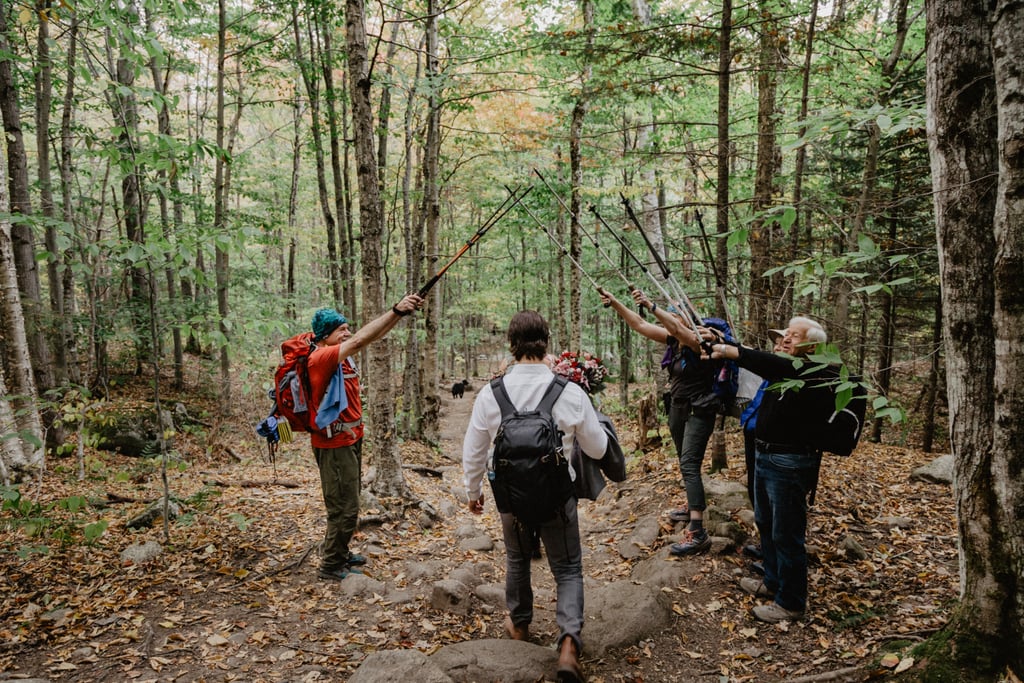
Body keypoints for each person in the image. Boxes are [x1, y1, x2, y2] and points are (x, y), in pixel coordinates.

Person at [463, 310, 607, 683]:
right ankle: (569, 645)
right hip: (558, 498)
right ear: (546, 343)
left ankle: (520, 627)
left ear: (511, 346)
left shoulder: (491, 393)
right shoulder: (569, 391)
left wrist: (473, 491)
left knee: (516, 558)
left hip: (510, 497)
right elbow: (597, 448)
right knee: (568, 568)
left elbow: (475, 449)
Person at [707, 316, 830, 623]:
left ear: (813, 345)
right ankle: (773, 583)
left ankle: (790, 602)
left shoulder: (810, 370)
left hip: (789, 463)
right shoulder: (783, 367)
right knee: (765, 521)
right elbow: (765, 362)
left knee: (786, 533)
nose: (786, 339)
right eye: (786, 334)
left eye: (795, 336)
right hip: (767, 456)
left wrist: (729, 350)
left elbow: (761, 360)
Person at [306, 293, 424, 581]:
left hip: (349, 441)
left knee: (350, 502)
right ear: (325, 336)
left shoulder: (340, 355)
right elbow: (360, 340)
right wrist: (395, 308)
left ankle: (341, 553)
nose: (348, 333)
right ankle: (330, 565)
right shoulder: (320, 358)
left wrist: (398, 315)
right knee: (344, 508)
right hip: (333, 445)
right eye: (340, 330)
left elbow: (366, 336)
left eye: (347, 328)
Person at [598, 286, 721, 557]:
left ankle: (698, 531)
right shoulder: (672, 341)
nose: (671, 320)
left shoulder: (699, 340)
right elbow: (639, 323)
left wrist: (652, 304)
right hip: (678, 408)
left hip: (698, 411)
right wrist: (617, 302)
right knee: (684, 459)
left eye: (676, 314)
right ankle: (692, 506)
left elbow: (678, 330)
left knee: (689, 463)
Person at [739, 328, 785, 568]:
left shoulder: (789, 371)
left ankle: (775, 563)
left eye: (784, 342)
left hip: (777, 453)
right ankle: (768, 553)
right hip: (756, 439)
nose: (777, 346)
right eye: (776, 343)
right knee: (759, 500)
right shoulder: (772, 369)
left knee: (776, 510)